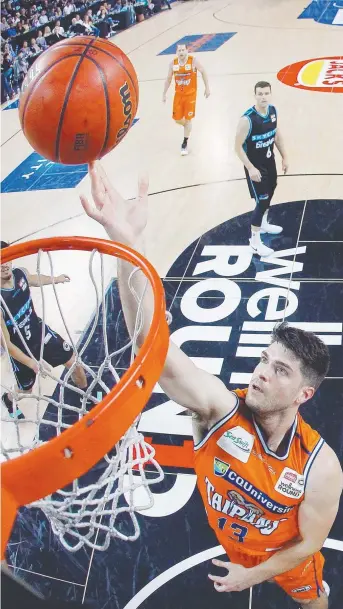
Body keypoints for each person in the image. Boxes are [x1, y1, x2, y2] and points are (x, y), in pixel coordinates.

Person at [80, 162, 342, 609]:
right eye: (264, 359)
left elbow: (307, 543)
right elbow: (150, 345)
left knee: (313, 601)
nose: (260, 372)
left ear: (305, 394)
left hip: (284, 556)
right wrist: (127, 245)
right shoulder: (220, 409)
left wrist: (250, 576)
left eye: (280, 370)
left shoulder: (320, 468)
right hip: (232, 537)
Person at [0, 241, 87, 419]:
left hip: (40, 334)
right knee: (26, 389)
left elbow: (34, 279)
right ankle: (8, 399)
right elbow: (7, 344)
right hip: (20, 350)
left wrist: (56, 279)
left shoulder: (20, 274)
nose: (4, 265)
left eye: (6, 258)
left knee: (74, 362)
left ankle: (86, 394)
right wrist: (32, 363)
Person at [235, 81, 289, 257]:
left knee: (271, 190)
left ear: (271, 94)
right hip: (255, 166)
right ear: (255, 95)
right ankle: (254, 242)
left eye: (266, 93)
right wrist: (250, 168)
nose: (263, 97)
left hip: (269, 161)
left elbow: (276, 134)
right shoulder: (247, 119)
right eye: (260, 94)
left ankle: (263, 224)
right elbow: (237, 147)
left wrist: (285, 156)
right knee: (262, 201)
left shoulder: (273, 111)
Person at [162, 43, 210, 156]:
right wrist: (164, 93)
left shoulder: (193, 61)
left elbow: (203, 71)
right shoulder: (173, 64)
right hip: (178, 95)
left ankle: (184, 142)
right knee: (177, 119)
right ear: (176, 52)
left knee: (188, 119)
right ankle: (187, 126)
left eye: (183, 50)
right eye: (179, 50)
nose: (181, 52)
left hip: (190, 96)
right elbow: (168, 79)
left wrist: (207, 88)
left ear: (187, 51)